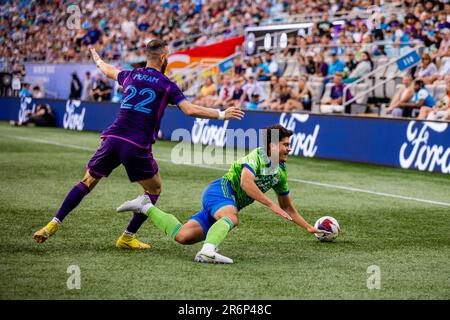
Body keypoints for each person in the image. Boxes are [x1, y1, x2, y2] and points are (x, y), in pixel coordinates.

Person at [33, 39, 245, 249]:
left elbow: (108, 70)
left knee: (87, 181)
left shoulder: (130, 75)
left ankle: (53, 223)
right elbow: (189, 110)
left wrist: (97, 60)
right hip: (136, 144)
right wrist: (221, 113)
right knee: (154, 189)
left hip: (112, 138)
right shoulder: (166, 84)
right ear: (163, 57)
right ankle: (127, 236)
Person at [116, 125, 329, 264]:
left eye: (289, 145)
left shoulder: (280, 172)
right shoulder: (257, 156)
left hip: (223, 201)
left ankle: (145, 206)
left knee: (183, 236)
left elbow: (288, 207)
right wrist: (271, 205)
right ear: (272, 145)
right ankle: (208, 251)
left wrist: (309, 227)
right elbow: (246, 183)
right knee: (232, 216)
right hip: (220, 191)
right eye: (285, 145)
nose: (288, 149)